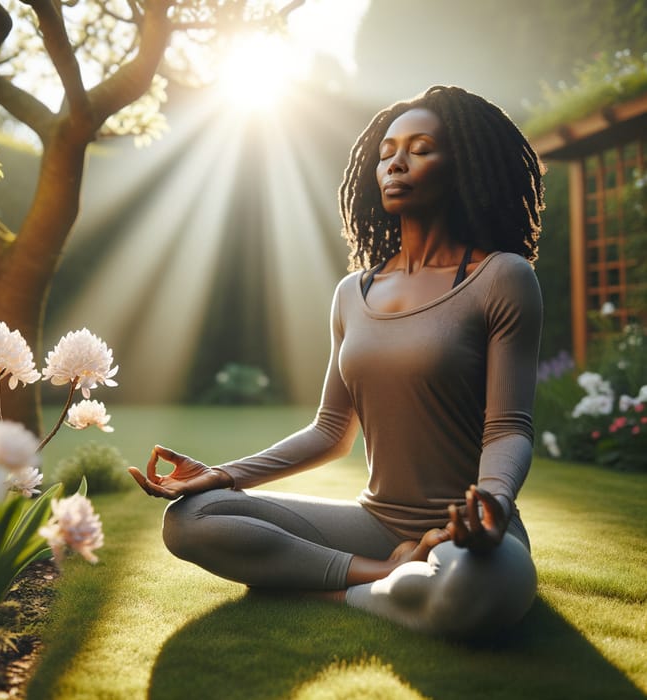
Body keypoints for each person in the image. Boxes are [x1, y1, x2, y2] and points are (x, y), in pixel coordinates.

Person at [129, 85, 545, 639]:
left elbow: (509, 427)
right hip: (375, 528)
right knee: (191, 519)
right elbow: (330, 431)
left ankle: (345, 587)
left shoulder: (503, 278)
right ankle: (384, 577)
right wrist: (223, 475)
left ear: (464, 165)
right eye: (387, 151)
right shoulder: (354, 292)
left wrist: (491, 507)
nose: (396, 161)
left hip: (468, 533)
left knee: (481, 588)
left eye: (421, 148)